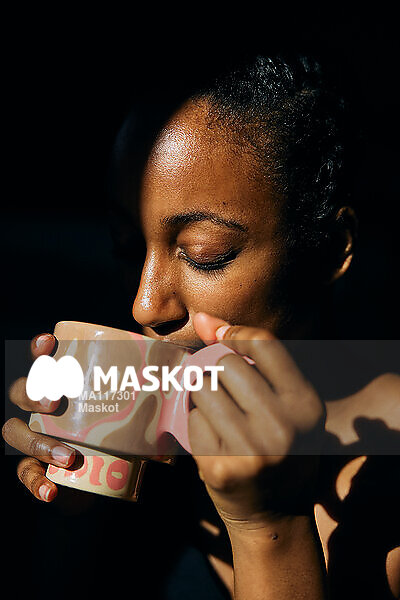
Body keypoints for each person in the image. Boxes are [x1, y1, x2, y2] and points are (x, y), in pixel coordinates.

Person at [3, 55, 400, 599]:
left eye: (203, 253)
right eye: (127, 247)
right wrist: (79, 501)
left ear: (330, 250)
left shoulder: (384, 489)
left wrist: (269, 530)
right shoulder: (168, 446)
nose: (145, 306)